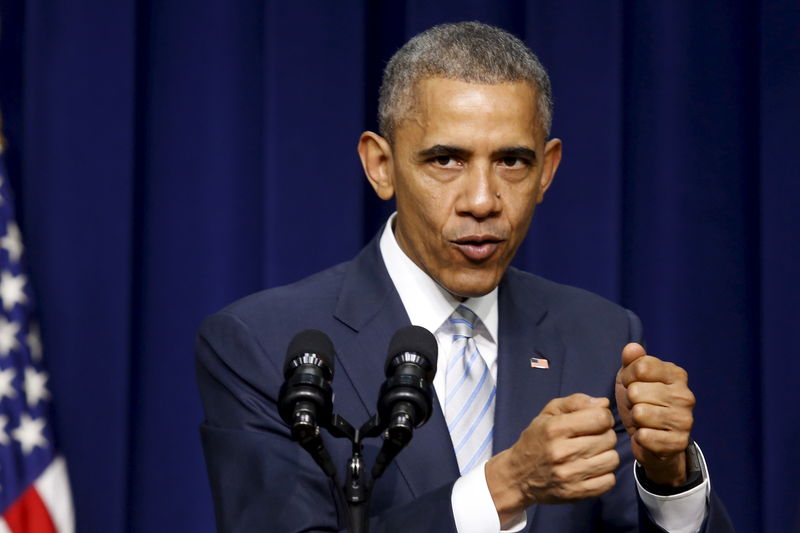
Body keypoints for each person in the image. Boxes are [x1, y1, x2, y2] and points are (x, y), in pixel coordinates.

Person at [196, 22, 735, 532]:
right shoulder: (262, 343)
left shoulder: (601, 334)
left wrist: (669, 477)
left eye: (512, 162)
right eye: (446, 160)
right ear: (380, 165)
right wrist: (501, 489)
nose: (482, 201)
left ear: (547, 170)